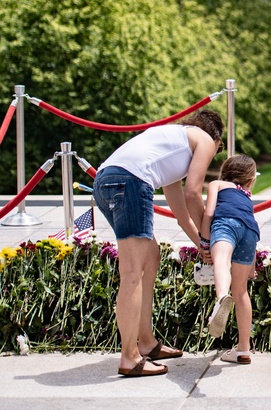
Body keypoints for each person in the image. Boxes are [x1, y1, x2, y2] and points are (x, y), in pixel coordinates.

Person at [92, 108, 224, 377]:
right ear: (217, 141)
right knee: (131, 273)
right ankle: (129, 357)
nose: (214, 153)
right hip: (130, 181)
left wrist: (201, 244)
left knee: (150, 255)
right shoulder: (206, 140)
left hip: (105, 180)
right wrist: (212, 238)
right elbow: (193, 194)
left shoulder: (173, 144)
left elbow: (181, 216)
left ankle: (147, 343)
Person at [201, 154, 260, 364]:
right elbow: (249, 222)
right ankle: (243, 349)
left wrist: (205, 242)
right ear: (250, 180)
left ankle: (221, 299)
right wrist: (252, 266)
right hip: (251, 232)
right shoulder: (246, 196)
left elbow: (208, 213)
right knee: (241, 291)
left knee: (221, 262)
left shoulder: (217, 184)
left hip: (225, 222)